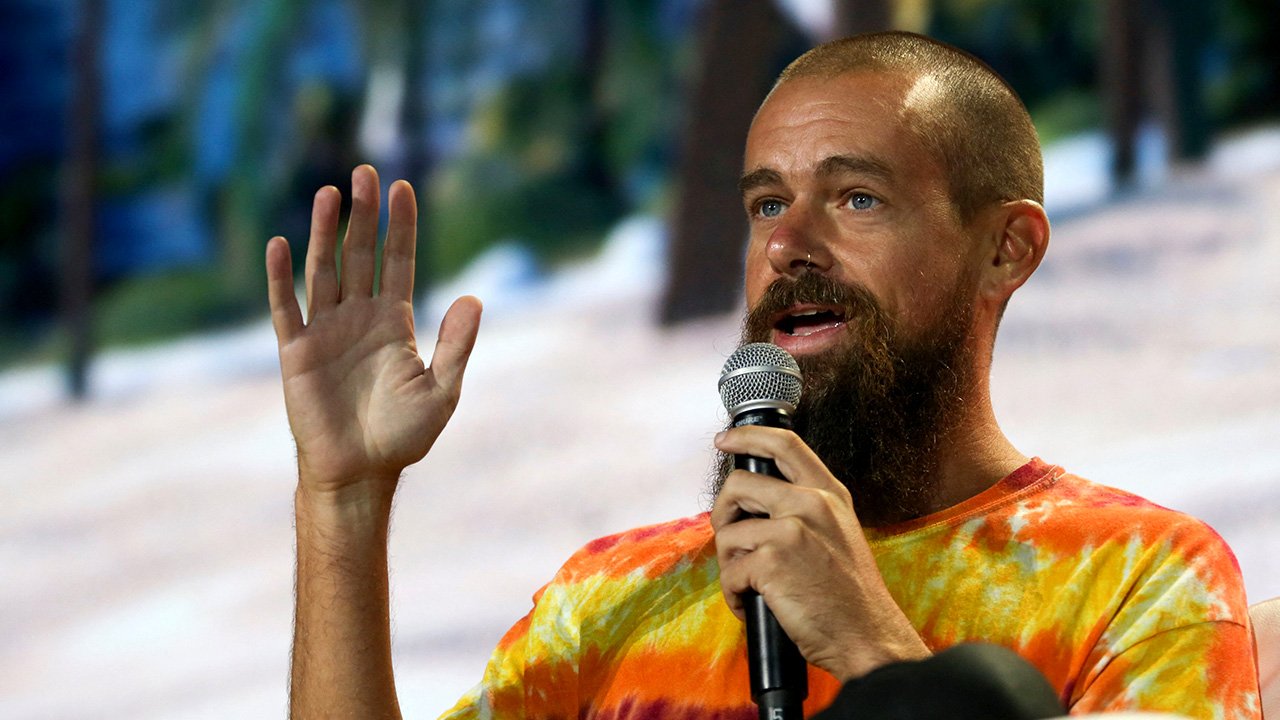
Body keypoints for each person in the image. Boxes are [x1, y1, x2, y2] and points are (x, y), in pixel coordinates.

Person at [265, 32, 1260, 719]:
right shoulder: (608, 596)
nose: (786, 245)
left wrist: (875, 653)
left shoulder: (1138, 575)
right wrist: (341, 498)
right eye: (765, 205)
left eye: (856, 197)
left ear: (1005, 249)